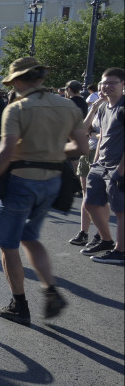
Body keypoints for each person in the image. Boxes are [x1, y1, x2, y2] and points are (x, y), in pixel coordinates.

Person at [0, 57, 88, 324]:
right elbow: (81, 148)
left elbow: (6, 151)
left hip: (23, 181)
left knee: (7, 244)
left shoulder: (18, 109)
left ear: (20, 80)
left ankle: (19, 305)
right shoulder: (68, 106)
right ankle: (50, 290)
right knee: (30, 237)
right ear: (40, 77)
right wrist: (52, 151)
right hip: (53, 181)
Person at [79, 68, 124, 264]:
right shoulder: (105, 107)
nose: (107, 86)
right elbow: (100, 134)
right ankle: (106, 240)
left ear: (123, 85)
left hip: (118, 166)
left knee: (120, 211)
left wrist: (120, 171)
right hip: (101, 163)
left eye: (112, 83)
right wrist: (96, 161)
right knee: (90, 203)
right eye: (104, 83)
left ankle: (120, 251)